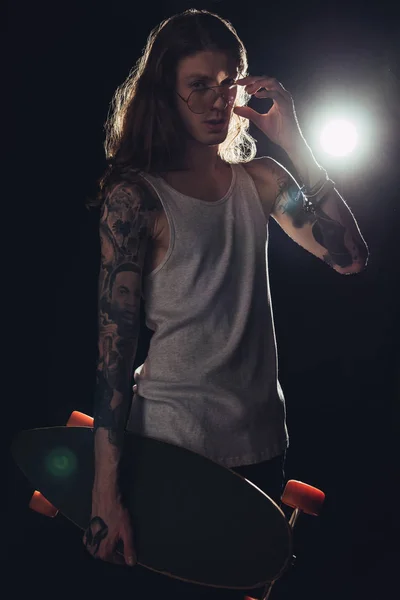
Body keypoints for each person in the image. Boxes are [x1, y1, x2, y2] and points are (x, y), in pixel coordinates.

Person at [83, 7, 369, 596]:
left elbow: (350, 256)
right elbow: (115, 349)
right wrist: (104, 489)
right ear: (167, 89)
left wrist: (294, 139)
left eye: (227, 83)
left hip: (262, 441)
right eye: (198, 86)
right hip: (170, 448)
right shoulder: (134, 196)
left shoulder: (261, 179)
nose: (217, 102)